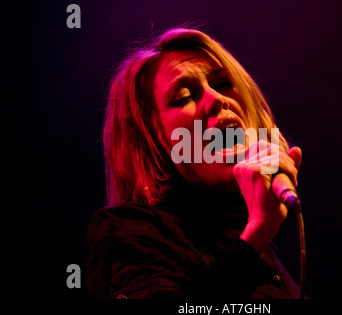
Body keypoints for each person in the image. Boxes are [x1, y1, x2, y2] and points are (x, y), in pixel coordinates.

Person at [86, 27, 303, 299]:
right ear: (152, 141)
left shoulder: (256, 242)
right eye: (184, 97)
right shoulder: (128, 234)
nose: (216, 99)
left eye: (223, 83)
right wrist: (257, 233)